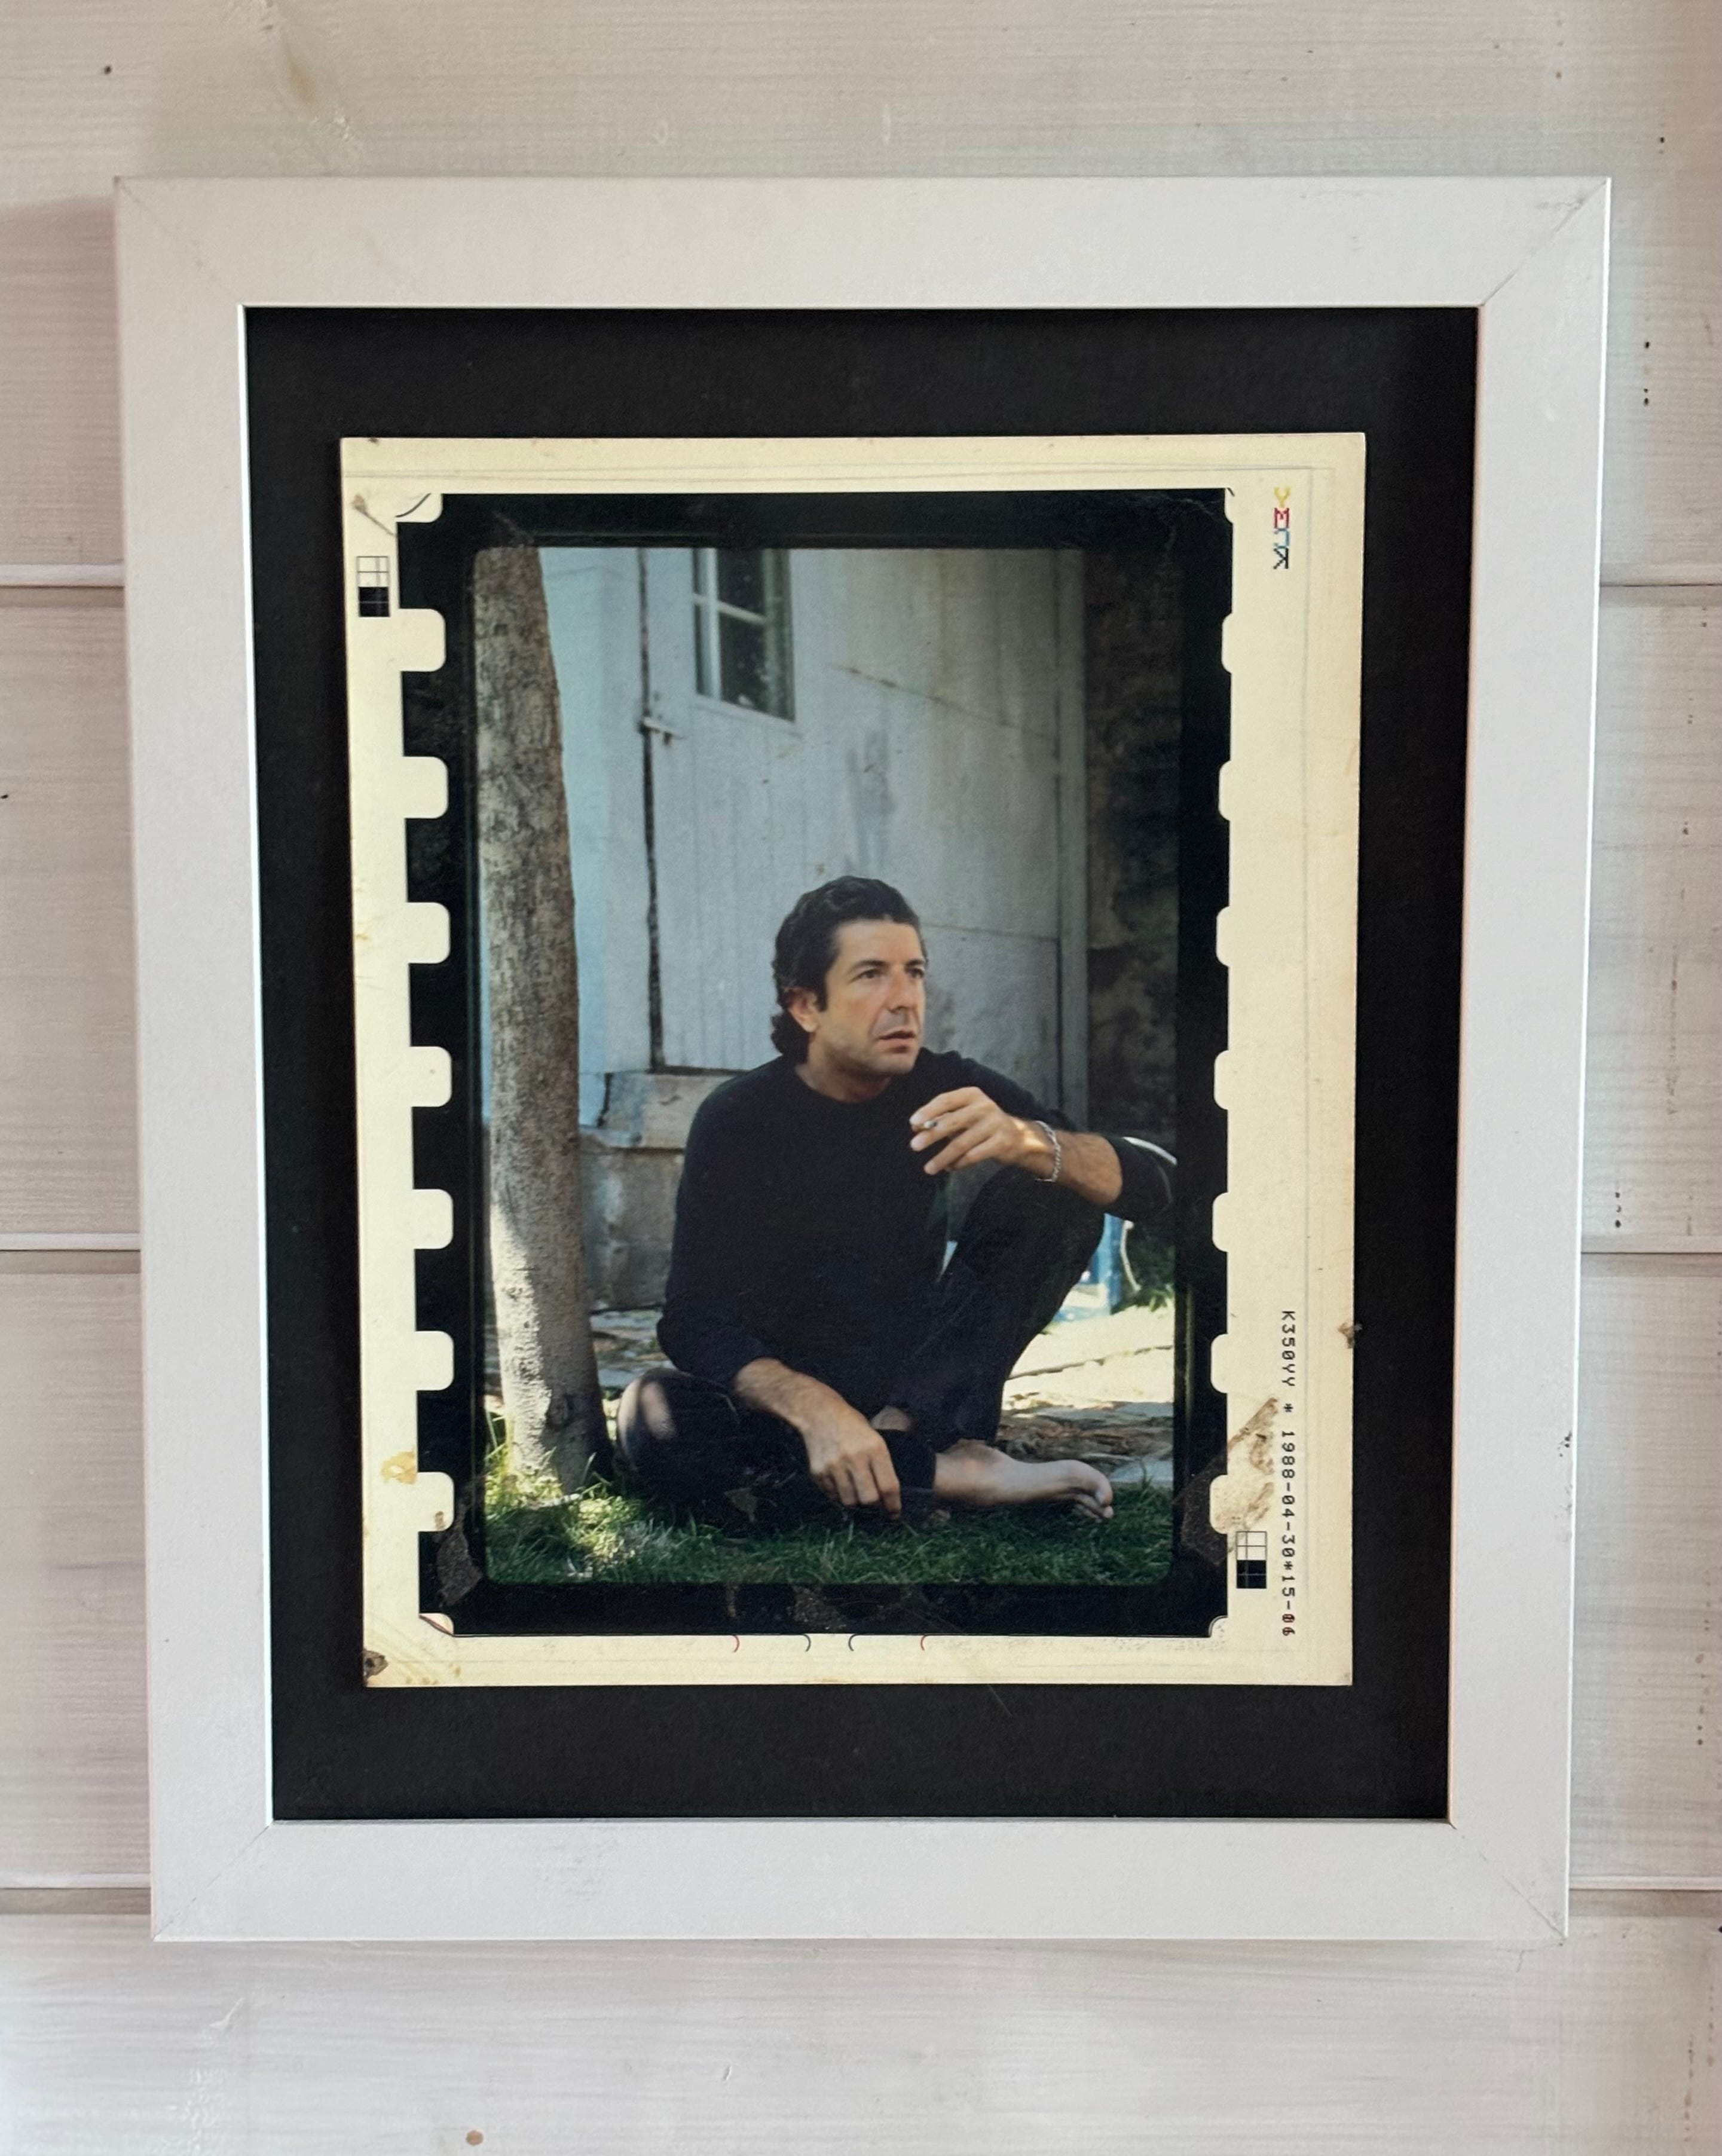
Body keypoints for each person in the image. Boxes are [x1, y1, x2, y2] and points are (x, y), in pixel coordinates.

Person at [613, 877, 1173, 1527]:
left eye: (915, 973)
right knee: (655, 1417)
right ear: (806, 1005)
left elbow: (1163, 1186)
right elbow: (693, 1319)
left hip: (918, 1390)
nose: (904, 999)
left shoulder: (946, 1084)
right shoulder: (740, 1117)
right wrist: (815, 1407)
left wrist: (1029, 1141)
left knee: (1054, 1186)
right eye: (871, 975)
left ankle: (904, 1449)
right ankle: (957, 1477)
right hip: (787, 1403)